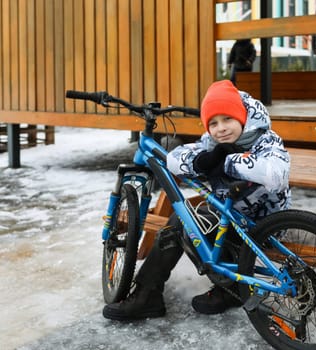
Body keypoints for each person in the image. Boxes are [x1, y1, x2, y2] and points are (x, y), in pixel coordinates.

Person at [102, 80, 291, 321]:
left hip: (265, 227)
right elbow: (177, 158)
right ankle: (225, 288)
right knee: (185, 219)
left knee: (185, 221)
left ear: (243, 117)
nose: (220, 129)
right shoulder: (213, 143)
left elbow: (277, 174)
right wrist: (204, 160)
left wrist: (227, 162)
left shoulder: (265, 140)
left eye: (228, 119)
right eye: (213, 123)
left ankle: (151, 294)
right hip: (232, 219)